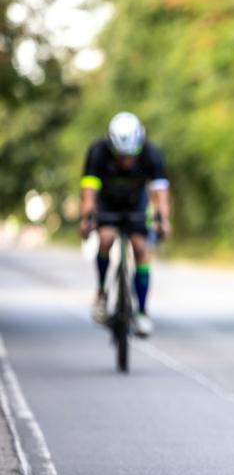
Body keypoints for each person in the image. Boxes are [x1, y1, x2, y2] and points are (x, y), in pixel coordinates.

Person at [79, 112, 172, 337]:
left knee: (140, 248)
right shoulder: (98, 151)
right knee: (106, 239)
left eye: (130, 156)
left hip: (135, 203)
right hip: (107, 202)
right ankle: (101, 293)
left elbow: (160, 194)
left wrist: (163, 220)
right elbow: (89, 192)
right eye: (120, 156)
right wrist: (86, 218)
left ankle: (142, 312)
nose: (125, 161)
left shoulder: (151, 153)